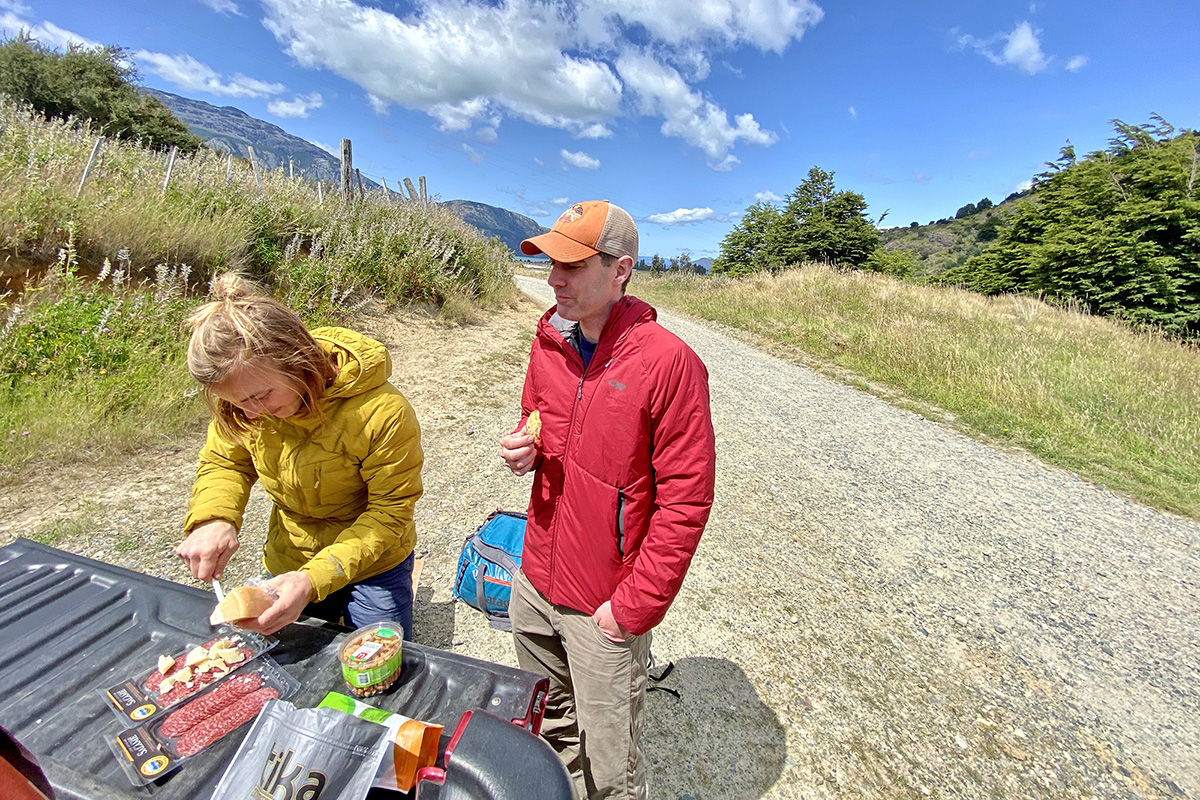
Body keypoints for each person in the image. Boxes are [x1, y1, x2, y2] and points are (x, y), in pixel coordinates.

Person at [499, 201, 716, 799]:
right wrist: (525, 448)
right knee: (547, 724)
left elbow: (686, 501)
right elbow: (536, 417)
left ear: (620, 269)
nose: (553, 280)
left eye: (571, 266)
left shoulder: (670, 364)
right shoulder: (549, 339)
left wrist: (631, 608)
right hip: (535, 580)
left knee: (609, 764)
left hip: (604, 603)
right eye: (551, 263)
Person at [176, 273, 424, 639]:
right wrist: (214, 519)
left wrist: (312, 580)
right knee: (286, 652)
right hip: (291, 555)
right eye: (237, 403)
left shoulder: (383, 412)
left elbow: (390, 514)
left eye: (260, 397)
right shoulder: (245, 399)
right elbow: (226, 462)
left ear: (299, 361)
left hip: (375, 563)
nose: (250, 413)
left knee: (378, 658)